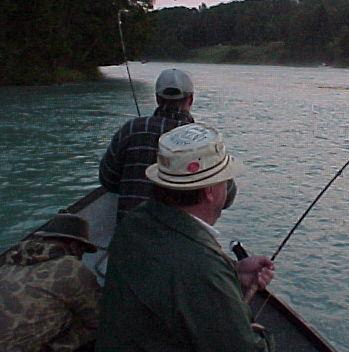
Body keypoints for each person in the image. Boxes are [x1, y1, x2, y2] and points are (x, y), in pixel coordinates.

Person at [96, 123, 275, 351]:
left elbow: (173, 275)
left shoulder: (135, 222)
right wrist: (261, 334)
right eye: (225, 180)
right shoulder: (203, 270)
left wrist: (233, 272)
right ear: (210, 192)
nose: (228, 187)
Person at [0, 213, 101, 352]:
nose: (81, 257)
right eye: (82, 251)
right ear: (75, 246)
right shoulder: (71, 267)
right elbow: (99, 318)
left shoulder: (9, 263)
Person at [99, 68, 195, 219]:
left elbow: (107, 179)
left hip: (129, 232)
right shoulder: (201, 140)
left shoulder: (130, 129)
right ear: (190, 99)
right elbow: (226, 196)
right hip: (178, 238)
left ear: (157, 98)